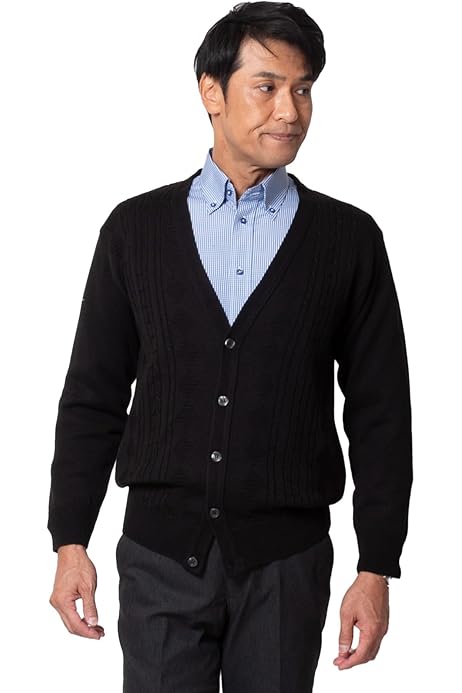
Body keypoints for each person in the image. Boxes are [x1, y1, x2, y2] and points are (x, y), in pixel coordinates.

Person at [47, 2, 413, 691]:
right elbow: (94, 395)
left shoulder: (348, 240)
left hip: (286, 563)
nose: (290, 111)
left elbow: (381, 413)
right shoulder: (135, 231)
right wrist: (70, 539)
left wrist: (376, 565)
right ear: (211, 93)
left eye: (303, 90)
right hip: (159, 553)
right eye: (267, 86)